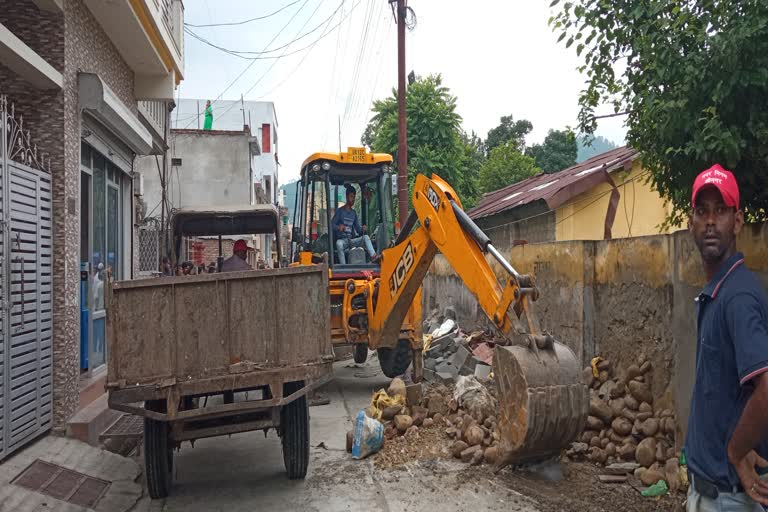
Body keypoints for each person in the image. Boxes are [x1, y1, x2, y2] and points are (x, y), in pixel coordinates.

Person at [685, 164, 768, 511]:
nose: (709, 221)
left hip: (728, 500)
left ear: (736, 222)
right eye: (702, 211)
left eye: (720, 211)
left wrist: (735, 451)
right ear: (691, 221)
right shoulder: (718, 293)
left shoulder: (737, 298)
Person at [331, 185, 378, 265]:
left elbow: (358, 229)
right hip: (342, 241)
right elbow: (331, 225)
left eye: (354, 197)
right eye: (351, 196)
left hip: (351, 241)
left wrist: (362, 229)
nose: (353, 199)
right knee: (338, 244)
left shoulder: (354, 213)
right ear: (346, 197)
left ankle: (374, 257)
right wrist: (339, 227)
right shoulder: (340, 211)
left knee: (366, 237)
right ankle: (343, 266)